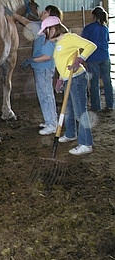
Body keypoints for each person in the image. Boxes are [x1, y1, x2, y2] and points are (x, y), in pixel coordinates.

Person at [38, 16, 97, 155]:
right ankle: (71, 134)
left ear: (53, 29)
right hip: (68, 79)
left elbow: (91, 46)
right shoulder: (58, 43)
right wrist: (60, 79)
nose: (45, 36)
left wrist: (80, 59)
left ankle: (86, 143)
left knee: (79, 111)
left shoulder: (70, 38)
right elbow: (63, 63)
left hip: (77, 78)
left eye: (46, 32)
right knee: (69, 110)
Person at [8, 5, 63, 136]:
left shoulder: (50, 32)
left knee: (46, 95)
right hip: (40, 67)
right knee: (43, 95)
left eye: (45, 12)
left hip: (44, 67)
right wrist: (13, 14)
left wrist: (31, 60)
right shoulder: (40, 26)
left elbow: (47, 56)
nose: (42, 13)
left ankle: (52, 124)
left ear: (51, 16)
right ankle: (50, 120)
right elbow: (25, 21)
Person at [81, 6, 114, 111]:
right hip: (105, 56)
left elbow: (83, 42)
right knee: (107, 81)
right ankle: (110, 104)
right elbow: (107, 41)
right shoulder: (105, 28)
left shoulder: (88, 28)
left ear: (94, 16)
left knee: (94, 82)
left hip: (93, 57)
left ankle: (96, 106)